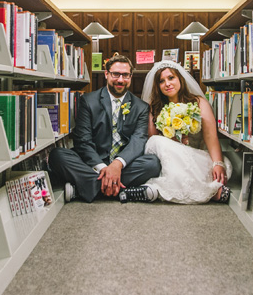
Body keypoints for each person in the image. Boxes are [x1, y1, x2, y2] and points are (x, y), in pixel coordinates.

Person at [48, 54, 161, 203]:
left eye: (125, 75)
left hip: (124, 164)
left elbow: (138, 141)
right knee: (57, 156)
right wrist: (103, 168)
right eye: (116, 74)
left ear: (131, 77)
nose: (120, 80)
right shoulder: (88, 101)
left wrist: (117, 164)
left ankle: (86, 187)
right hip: (93, 162)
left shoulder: (141, 107)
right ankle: (124, 191)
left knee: (152, 163)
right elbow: (83, 140)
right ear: (106, 74)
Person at [120, 60, 232, 204]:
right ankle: (210, 191)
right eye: (161, 81)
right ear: (158, 86)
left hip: (194, 155)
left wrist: (218, 163)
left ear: (180, 79)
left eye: (171, 78)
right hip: (167, 158)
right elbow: (151, 140)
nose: (167, 83)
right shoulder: (153, 108)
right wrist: (172, 140)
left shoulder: (198, 102)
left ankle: (153, 190)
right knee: (157, 141)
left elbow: (210, 136)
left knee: (217, 169)